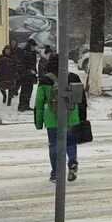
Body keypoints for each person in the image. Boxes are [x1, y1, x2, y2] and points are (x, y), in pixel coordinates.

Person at [33, 53, 87, 182]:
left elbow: (39, 103)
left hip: (52, 120)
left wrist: (39, 122)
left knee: (54, 146)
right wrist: (82, 118)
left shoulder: (45, 80)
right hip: (71, 117)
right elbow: (81, 101)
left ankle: (56, 173)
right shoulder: (73, 77)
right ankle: (72, 162)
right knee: (70, 142)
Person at [16, 38, 39, 111]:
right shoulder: (25, 53)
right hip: (25, 75)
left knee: (29, 90)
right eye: (33, 46)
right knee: (25, 90)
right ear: (30, 46)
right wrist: (29, 71)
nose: (34, 47)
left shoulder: (32, 53)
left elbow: (33, 64)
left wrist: (34, 72)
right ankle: (22, 106)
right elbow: (23, 65)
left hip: (30, 75)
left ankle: (26, 105)